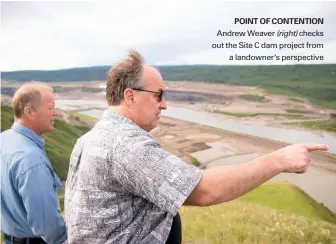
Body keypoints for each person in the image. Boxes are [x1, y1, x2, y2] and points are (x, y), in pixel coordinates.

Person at [64, 50, 329, 244]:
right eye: (158, 95)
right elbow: (205, 192)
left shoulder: (90, 138)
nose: (164, 104)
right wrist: (280, 160)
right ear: (130, 96)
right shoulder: (125, 143)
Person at [1, 82, 68, 244]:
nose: (55, 113)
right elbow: (47, 225)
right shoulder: (31, 159)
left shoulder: (3, 139)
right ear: (29, 112)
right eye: (51, 108)